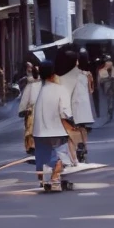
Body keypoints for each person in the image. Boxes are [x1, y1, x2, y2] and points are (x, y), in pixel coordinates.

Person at [30, 60, 74, 192]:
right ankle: (55, 178)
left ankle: (45, 179)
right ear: (53, 74)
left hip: (39, 131)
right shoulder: (60, 89)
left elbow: (26, 106)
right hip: (57, 130)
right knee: (61, 157)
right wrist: (72, 123)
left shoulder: (34, 88)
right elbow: (65, 112)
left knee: (43, 157)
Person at [57, 47, 94, 169]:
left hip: (69, 110)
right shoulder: (84, 75)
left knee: (71, 134)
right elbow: (90, 91)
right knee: (81, 130)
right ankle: (81, 150)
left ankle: (75, 156)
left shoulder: (61, 78)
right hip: (82, 110)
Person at [96, 55, 114, 121]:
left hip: (112, 89)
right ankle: (106, 115)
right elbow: (100, 81)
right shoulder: (101, 71)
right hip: (104, 90)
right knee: (105, 103)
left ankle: (110, 114)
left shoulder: (113, 70)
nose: (109, 63)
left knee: (111, 102)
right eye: (108, 61)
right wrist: (107, 79)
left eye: (110, 61)